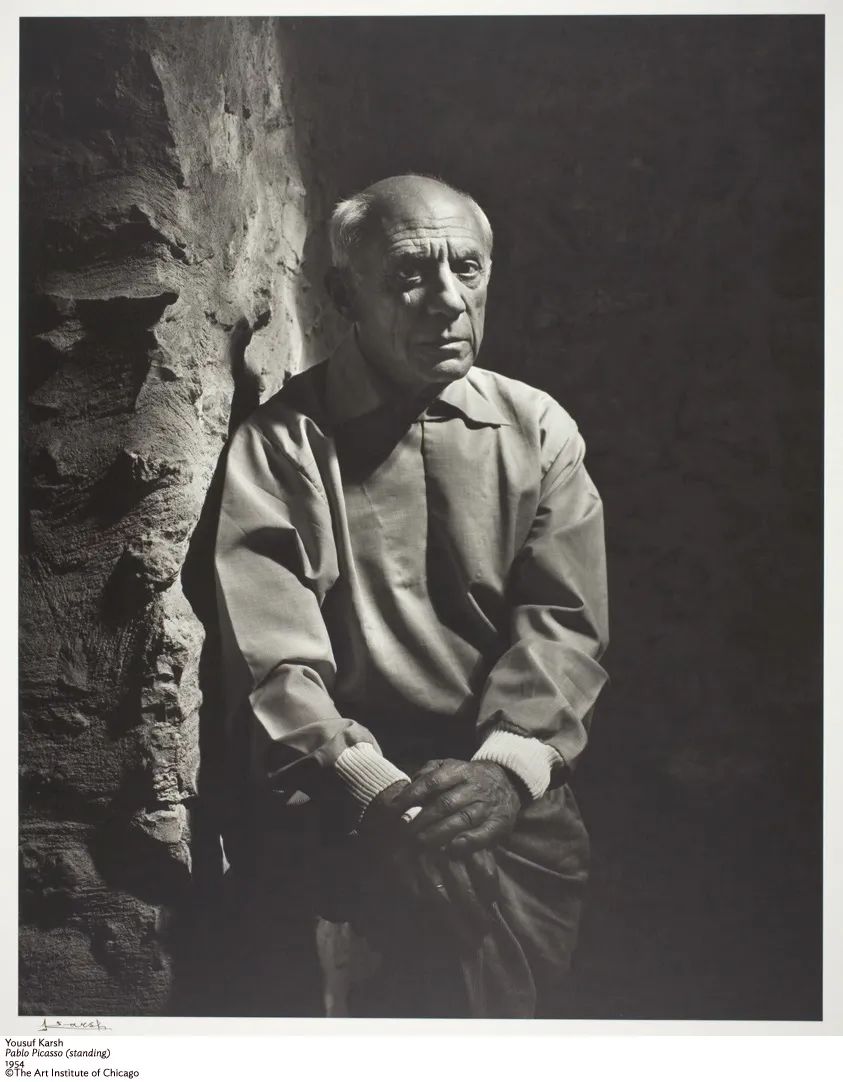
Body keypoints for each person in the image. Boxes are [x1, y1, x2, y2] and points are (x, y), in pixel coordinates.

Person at [214, 174, 609, 1018]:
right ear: (343, 295)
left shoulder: (539, 429)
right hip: (352, 806)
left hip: (510, 799)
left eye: (467, 269)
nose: (447, 300)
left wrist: (503, 776)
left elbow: (563, 628)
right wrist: (376, 794)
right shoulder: (281, 447)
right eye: (408, 275)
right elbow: (273, 661)